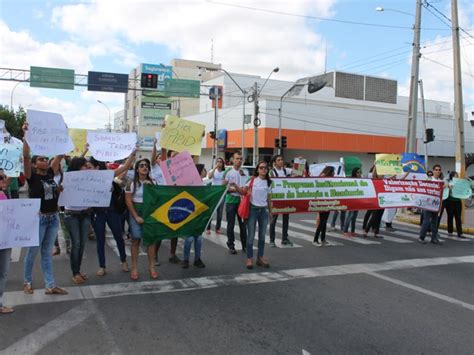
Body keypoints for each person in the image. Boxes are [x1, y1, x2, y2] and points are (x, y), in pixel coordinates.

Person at [22, 123, 68, 295]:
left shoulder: (50, 174)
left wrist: (62, 133)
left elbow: (60, 154)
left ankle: (50, 285)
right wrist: (26, 136)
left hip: (53, 217)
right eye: (41, 159)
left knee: (47, 253)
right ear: (34, 164)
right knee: (32, 253)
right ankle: (27, 281)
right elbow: (26, 156)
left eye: (45, 159)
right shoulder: (31, 176)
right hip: (39, 219)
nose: (45, 161)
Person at [87, 147, 135, 276]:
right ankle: (102, 266)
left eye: (90, 166)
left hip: (112, 212)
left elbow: (125, 167)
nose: (87, 168)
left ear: (97, 167)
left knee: (118, 236)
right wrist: (85, 151)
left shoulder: (109, 175)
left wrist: (133, 154)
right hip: (98, 214)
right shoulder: (87, 179)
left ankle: (124, 261)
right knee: (100, 240)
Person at [125, 159, 158, 280]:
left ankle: (152, 267)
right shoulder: (131, 183)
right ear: (137, 169)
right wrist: (135, 216)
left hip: (149, 213)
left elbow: (158, 199)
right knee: (135, 239)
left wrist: (152, 189)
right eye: (142, 165)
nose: (145, 167)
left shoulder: (153, 182)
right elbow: (128, 200)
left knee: (150, 241)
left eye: (147, 166)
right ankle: (134, 267)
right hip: (136, 211)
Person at [62, 157, 93, 284]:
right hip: (72, 215)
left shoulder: (89, 180)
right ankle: (75, 273)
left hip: (85, 214)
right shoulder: (68, 178)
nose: (87, 168)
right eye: (85, 166)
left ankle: (78, 271)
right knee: (76, 243)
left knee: (82, 244)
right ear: (78, 167)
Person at [245, 161, 272, 269]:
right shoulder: (252, 180)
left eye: (265, 168)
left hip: (263, 211)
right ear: (257, 169)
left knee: (262, 236)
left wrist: (270, 211)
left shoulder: (269, 182)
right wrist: (247, 193)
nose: (263, 169)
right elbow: (244, 193)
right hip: (253, 210)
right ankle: (249, 258)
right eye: (261, 168)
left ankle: (260, 257)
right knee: (251, 235)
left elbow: (269, 198)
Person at [182, 164, 207, 269]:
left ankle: (197, 259)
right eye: (204, 169)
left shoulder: (204, 185)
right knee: (189, 238)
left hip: (200, 216)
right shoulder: (190, 185)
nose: (206, 171)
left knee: (199, 238)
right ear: (199, 172)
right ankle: (186, 259)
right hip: (189, 215)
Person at [223, 151, 248, 254]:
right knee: (231, 224)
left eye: (240, 159)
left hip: (242, 201)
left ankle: (245, 245)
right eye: (237, 158)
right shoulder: (228, 172)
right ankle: (231, 245)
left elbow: (246, 187)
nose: (239, 160)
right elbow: (224, 188)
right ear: (232, 160)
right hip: (231, 201)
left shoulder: (245, 172)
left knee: (243, 225)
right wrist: (236, 190)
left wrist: (240, 190)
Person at [269, 155, 293, 247]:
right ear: (275, 162)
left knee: (286, 219)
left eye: (282, 159)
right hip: (276, 199)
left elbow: (298, 171)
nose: (281, 161)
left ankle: (284, 238)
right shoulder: (271, 172)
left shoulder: (285, 170)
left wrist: (300, 162)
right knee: (273, 220)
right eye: (279, 160)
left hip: (285, 198)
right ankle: (272, 240)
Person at [0, 169, 14, 313]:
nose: (4, 179)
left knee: (3, 272)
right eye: (1, 177)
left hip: (5, 239)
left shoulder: (3, 194)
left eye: (4, 177)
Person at [419, 164, 444, 245]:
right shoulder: (428, 180)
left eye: (439, 170)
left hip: (436, 204)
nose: (438, 171)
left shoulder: (441, 182)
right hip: (428, 204)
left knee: (435, 222)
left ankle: (434, 238)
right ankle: (421, 237)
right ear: (433, 171)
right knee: (426, 221)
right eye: (436, 170)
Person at [313, 166, 335, 247]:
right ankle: (315, 239)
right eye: (333, 172)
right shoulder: (322, 178)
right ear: (330, 172)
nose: (334, 173)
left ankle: (323, 239)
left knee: (325, 221)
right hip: (321, 202)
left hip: (328, 202)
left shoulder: (331, 179)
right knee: (322, 221)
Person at [205, 157, 226, 235]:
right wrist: (214, 168)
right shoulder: (213, 171)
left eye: (220, 162)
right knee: (211, 211)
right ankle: (208, 228)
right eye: (218, 162)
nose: (219, 163)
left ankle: (218, 228)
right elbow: (210, 177)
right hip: (214, 193)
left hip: (221, 194)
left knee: (220, 212)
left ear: (223, 163)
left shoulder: (224, 172)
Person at [445, 171, 466, 239]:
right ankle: (450, 231)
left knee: (458, 217)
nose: (456, 176)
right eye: (454, 175)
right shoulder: (448, 182)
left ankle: (460, 233)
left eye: (456, 175)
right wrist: (449, 187)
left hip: (457, 202)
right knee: (450, 216)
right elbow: (445, 189)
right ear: (451, 176)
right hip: (450, 201)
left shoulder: (460, 182)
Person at [343, 167, 362, 236]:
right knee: (350, 215)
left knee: (355, 216)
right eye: (358, 172)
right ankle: (345, 231)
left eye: (360, 172)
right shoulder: (351, 180)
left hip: (358, 200)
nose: (359, 173)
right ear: (354, 173)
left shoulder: (361, 180)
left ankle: (352, 231)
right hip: (352, 200)